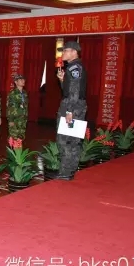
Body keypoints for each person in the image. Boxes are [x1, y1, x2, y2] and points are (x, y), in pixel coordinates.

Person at [56, 41, 87, 180]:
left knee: (65, 141)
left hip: (72, 107)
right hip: (77, 106)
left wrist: (69, 111)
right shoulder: (75, 67)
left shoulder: (74, 67)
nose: (63, 53)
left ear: (74, 52)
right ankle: (69, 172)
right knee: (73, 141)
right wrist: (63, 80)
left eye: (66, 50)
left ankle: (65, 173)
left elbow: (74, 92)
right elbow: (70, 89)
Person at [7, 75, 29, 140]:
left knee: (21, 138)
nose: (23, 81)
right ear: (16, 82)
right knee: (14, 138)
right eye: (21, 80)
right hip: (15, 119)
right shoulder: (12, 93)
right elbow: (10, 107)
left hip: (23, 119)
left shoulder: (24, 93)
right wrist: (10, 120)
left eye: (23, 79)